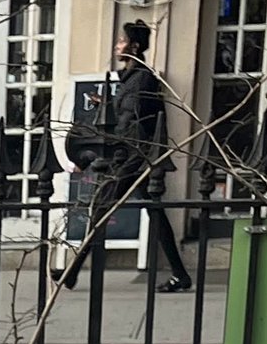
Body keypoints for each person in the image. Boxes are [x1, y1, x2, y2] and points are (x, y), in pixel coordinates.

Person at [61, 20, 191, 294]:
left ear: (133, 46)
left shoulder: (141, 77)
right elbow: (131, 115)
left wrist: (109, 144)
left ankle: (71, 274)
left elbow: (132, 123)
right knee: (154, 213)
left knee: (101, 210)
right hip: (135, 155)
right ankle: (180, 275)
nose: (117, 46)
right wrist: (107, 105)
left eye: (121, 41)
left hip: (133, 157)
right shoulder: (132, 78)